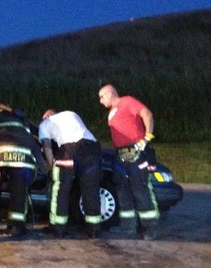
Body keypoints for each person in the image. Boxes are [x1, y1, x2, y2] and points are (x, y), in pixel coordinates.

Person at [0, 103, 47, 237]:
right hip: (22, 159)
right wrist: (44, 169)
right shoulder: (21, 123)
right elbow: (34, 144)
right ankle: (16, 227)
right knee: (19, 190)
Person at [98, 83, 159, 240]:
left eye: (102, 96)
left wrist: (147, 137)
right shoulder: (112, 112)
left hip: (136, 151)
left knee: (140, 189)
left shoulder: (127, 101)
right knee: (122, 190)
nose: (100, 101)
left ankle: (150, 228)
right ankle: (128, 227)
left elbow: (147, 114)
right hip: (120, 154)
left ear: (111, 93)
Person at [39, 109, 103, 239]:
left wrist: (51, 167)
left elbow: (47, 148)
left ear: (47, 116)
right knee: (90, 189)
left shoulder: (44, 124)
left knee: (61, 188)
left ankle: (58, 228)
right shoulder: (71, 113)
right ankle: (94, 229)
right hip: (92, 149)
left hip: (69, 150)